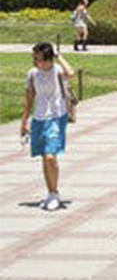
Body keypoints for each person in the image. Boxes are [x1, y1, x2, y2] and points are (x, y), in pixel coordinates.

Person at [20, 43, 75, 211]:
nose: (37, 63)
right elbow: (29, 99)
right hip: (39, 118)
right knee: (45, 157)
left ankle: (54, 193)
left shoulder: (57, 70)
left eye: (41, 59)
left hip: (57, 117)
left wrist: (59, 56)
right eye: (35, 59)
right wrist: (24, 122)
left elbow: (71, 74)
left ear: (49, 59)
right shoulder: (32, 74)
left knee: (50, 156)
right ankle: (51, 193)